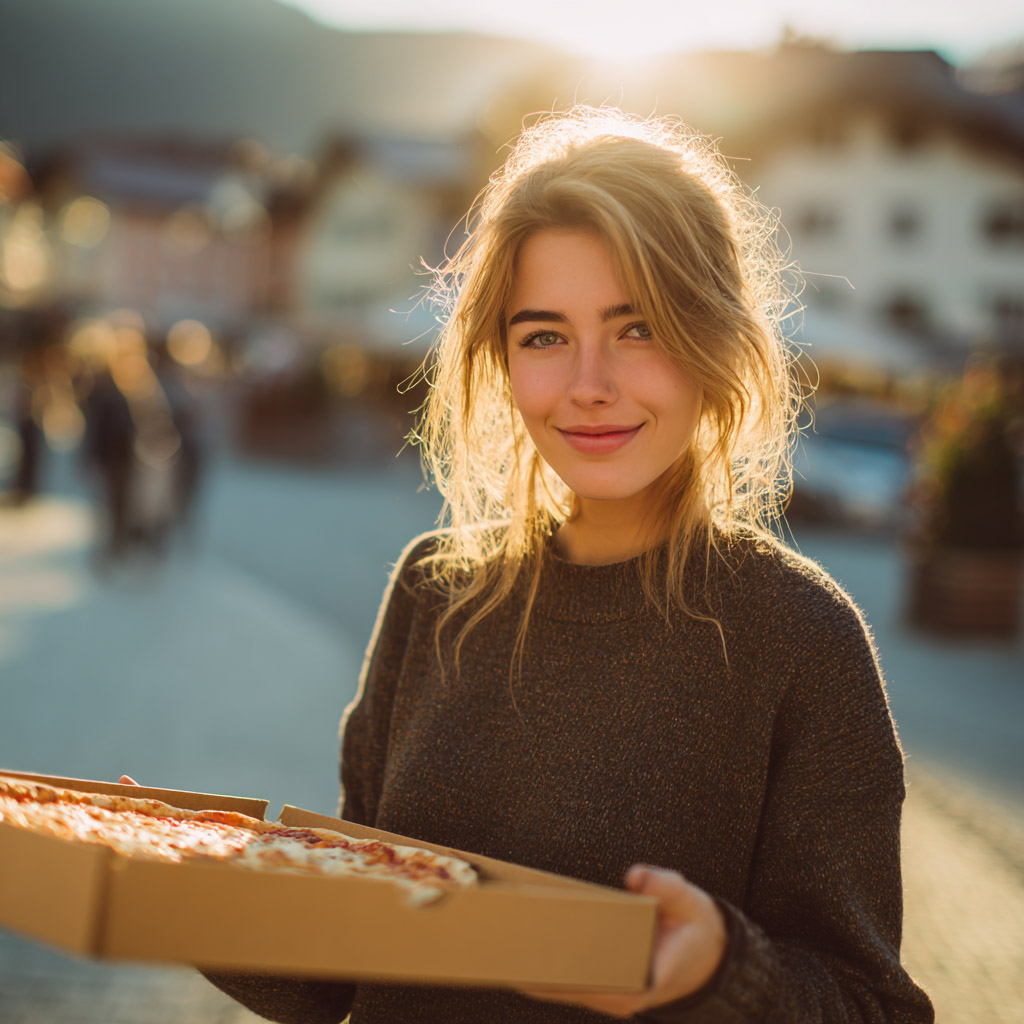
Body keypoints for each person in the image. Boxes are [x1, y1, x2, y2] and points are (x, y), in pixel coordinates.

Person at [129, 106, 934, 1022]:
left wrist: (723, 972)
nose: (588, 383)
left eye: (639, 328)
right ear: (502, 360)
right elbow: (343, 963)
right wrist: (183, 887)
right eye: (544, 336)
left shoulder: (799, 638)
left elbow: (874, 1006)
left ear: (713, 339)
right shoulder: (434, 593)